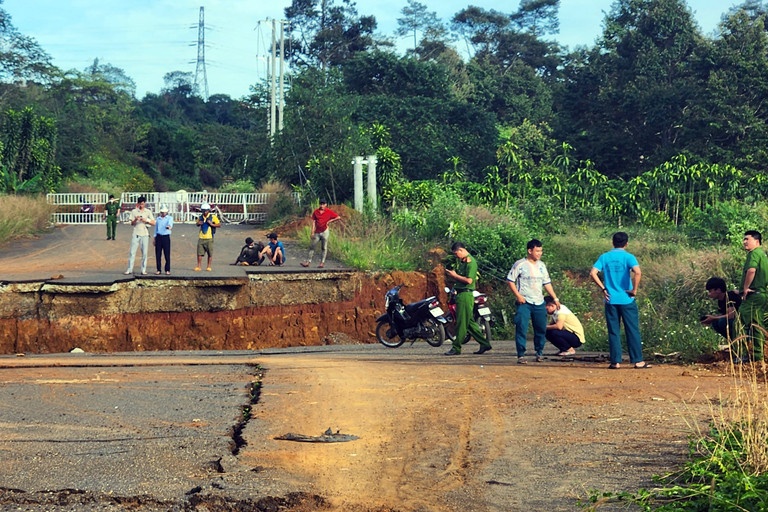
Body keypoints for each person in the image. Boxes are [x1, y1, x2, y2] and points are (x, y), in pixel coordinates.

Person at [590, 232, 650, 369]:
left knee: (613, 331)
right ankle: (637, 360)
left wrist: (603, 289)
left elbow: (593, 273)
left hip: (610, 299)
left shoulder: (605, 257)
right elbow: (638, 272)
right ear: (626, 243)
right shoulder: (629, 257)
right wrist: (634, 290)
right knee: (632, 329)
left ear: (613, 242)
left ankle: (615, 361)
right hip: (626, 299)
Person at [507, 239, 561, 364]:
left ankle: (539, 352)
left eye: (541, 251)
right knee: (522, 327)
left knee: (541, 328)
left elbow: (547, 283)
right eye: (537, 251)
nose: (539, 253)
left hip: (539, 301)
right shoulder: (520, 264)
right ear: (530, 250)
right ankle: (521, 354)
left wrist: (555, 298)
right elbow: (510, 280)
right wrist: (518, 295)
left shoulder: (542, 265)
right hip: (524, 302)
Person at [444, 242, 492, 356]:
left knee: (461, 322)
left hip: (465, 295)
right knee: (469, 322)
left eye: (456, 253)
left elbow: (469, 280)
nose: (456, 256)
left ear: (461, 250)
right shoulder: (463, 262)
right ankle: (484, 343)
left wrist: (454, 276)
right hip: (461, 294)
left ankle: (456, 347)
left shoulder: (471, 263)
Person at [737, 230, 768, 362]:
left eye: (747, 239)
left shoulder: (754, 253)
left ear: (756, 241)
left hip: (754, 295)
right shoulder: (763, 255)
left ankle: (740, 354)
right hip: (761, 294)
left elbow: (751, 270)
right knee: (756, 325)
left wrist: (745, 288)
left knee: (739, 322)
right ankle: (757, 356)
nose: (744, 242)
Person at [300, 200, 340, 269]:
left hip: (325, 231)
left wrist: (329, 221)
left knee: (324, 247)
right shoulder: (316, 212)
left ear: (326, 205)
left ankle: (322, 263)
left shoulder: (329, 211)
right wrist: (312, 231)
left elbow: (338, 217)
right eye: (321, 204)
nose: (322, 206)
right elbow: (313, 222)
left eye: (323, 204)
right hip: (317, 231)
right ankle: (308, 262)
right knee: (312, 246)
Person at [700, 277, 741, 342]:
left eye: (710, 291)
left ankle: (739, 341)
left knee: (722, 322)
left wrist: (714, 317)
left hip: (741, 322)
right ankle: (733, 342)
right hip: (735, 321)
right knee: (716, 323)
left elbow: (731, 316)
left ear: (718, 290)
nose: (709, 294)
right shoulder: (720, 301)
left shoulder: (730, 297)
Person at [124, 196, 155, 275]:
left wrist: (146, 220)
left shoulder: (148, 212)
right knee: (132, 252)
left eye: (143, 204)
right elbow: (131, 223)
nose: (142, 205)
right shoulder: (134, 211)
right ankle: (129, 269)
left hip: (145, 234)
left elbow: (153, 222)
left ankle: (143, 269)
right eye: (140, 204)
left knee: (144, 253)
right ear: (138, 204)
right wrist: (136, 219)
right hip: (136, 233)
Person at [195, 202, 220, 272]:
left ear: (208, 210)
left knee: (210, 253)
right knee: (199, 253)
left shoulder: (213, 217)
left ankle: (209, 266)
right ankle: (199, 266)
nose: (205, 212)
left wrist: (212, 224)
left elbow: (219, 225)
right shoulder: (200, 217)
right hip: (201, 237)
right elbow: (197, 224)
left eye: (206, 210)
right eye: (203, 211)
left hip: (209, 237)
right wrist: (198, 223)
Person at [153, 204, 173, 275]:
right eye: (162, 212)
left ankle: (167, 269)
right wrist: (154, 238)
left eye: (165, 212)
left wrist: (169, 227)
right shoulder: (158, 219)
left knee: (167, 254)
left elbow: (170, 224)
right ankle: (158, 269)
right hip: (159, 237)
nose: (164, 213)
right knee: (158, 254)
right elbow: (156, 229)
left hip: (166, 237)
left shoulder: (169, 218)